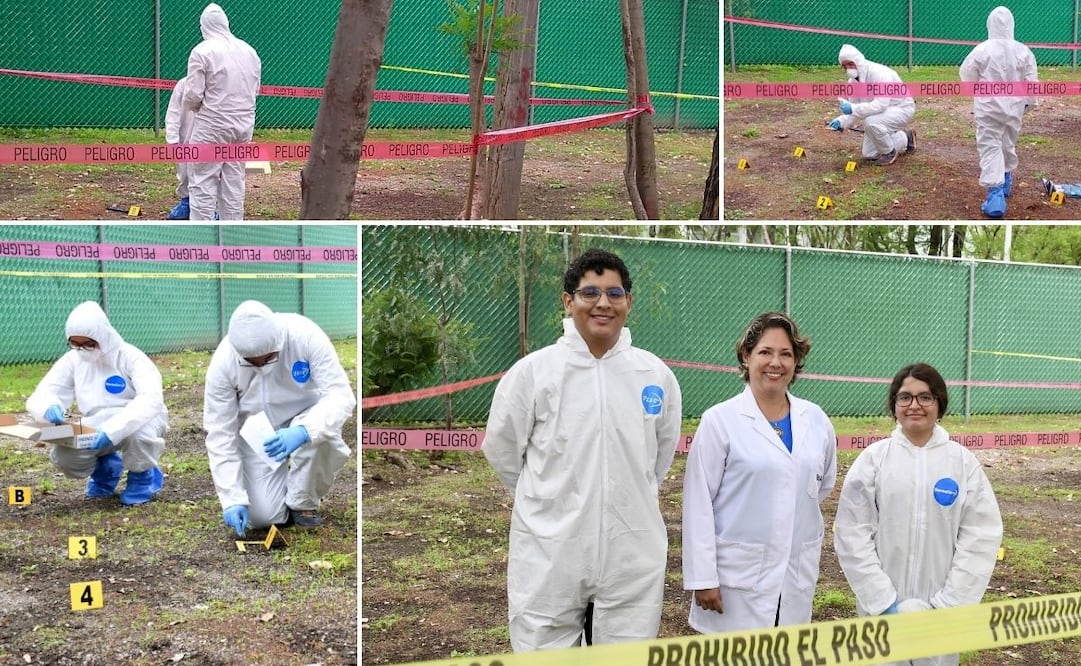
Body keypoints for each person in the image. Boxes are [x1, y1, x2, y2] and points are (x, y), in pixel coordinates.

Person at [482, 248, 682, 652]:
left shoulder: (654, 375)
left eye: (614, 293)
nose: (603, 303)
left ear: (629, 302)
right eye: (590, 292)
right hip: (550, 549)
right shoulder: (534, 373)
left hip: (632, 546)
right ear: (568, 300)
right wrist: (545, 502)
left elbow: (658, 457)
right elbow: (503, 449)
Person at [833, 363, 1003, 666]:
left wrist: (948, 604)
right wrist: (882, 602)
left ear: (939, 404)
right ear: (894, 405)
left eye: (925, 397)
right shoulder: (874, 460)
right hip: (881, 613)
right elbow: (852, 533)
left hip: (939, 614)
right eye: (905, 397)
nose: (914, 405)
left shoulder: (962, 463)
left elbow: (980, 537)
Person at [682, 311, 837, 633]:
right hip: (735, 581)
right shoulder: (720, 421)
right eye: (765, 352)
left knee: (786, 650)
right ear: (746, 356)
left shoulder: (816, 419)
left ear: (796, 361)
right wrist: (703, 578)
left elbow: (821, 485)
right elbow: (698, 503)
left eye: (786, 354)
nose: (775, 363)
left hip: (794, 574)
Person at [203, 300, 355, 538]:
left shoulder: (305, 335)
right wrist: (232, 498)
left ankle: (302, 500)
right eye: (252, 362)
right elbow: (220, 432)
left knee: (324, 436)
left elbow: (340, 396)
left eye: (268, 359)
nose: (261, 366)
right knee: (264, 517)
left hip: (306, 416)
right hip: (259, 433)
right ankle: (281, 488)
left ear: (279, 343)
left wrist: (305, 430)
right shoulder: (223, 362)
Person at [26, 301, 168, 505]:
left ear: (102, 335)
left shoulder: (131, 357)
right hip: (97, 421)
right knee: (66, 455)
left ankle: (142, 477)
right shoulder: (72, 360)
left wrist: (113, 430)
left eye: (88, 344)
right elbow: (45, 391)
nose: (82, 350)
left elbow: (150, 399)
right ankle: (106, 468)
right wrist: (48, 407)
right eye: (75, 344)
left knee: (139, 436)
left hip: (142, 418)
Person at [183, 3, 261, 221]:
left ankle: (202, 234)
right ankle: (233, 230)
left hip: (211, 126)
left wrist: (194, 110)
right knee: (234, 183)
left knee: (202, 182)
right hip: (243, 126)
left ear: (204, 26)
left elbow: (193, 94)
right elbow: (255, 90)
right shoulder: (250, 52)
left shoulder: (202, 51)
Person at [960, 6, 1039, 219]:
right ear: (1012, 25)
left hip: (989, 108)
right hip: (1015, 107)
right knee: (1007, 142)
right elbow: (1031, 82)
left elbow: (967, 75)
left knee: (990, 145)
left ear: (989, 25)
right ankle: (1005, 179)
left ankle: (995, 195)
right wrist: (1029, 103)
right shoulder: (1023, 51)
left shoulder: (982, 50)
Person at [827, 44, 916, 166]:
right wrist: (842, 121)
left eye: (850, 64)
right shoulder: (853, 82)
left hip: (901, 108)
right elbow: (855, 109)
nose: (848, 68)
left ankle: (889, 153)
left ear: (858, 61)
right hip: (880, 113)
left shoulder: (879, 73)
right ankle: (906, 138)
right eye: (845, 66)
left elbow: (880, 105)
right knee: (869, 153)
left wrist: (853, 108)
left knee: (871, 122)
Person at [165, 76, 194, 220]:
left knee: (212, 175)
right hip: (185, 138)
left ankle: (213, 207)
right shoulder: (184, 85)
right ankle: (186, 201)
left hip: (212, 141)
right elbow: (174, 113)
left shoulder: (219, 84)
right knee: (185, 172)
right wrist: (172, 139)